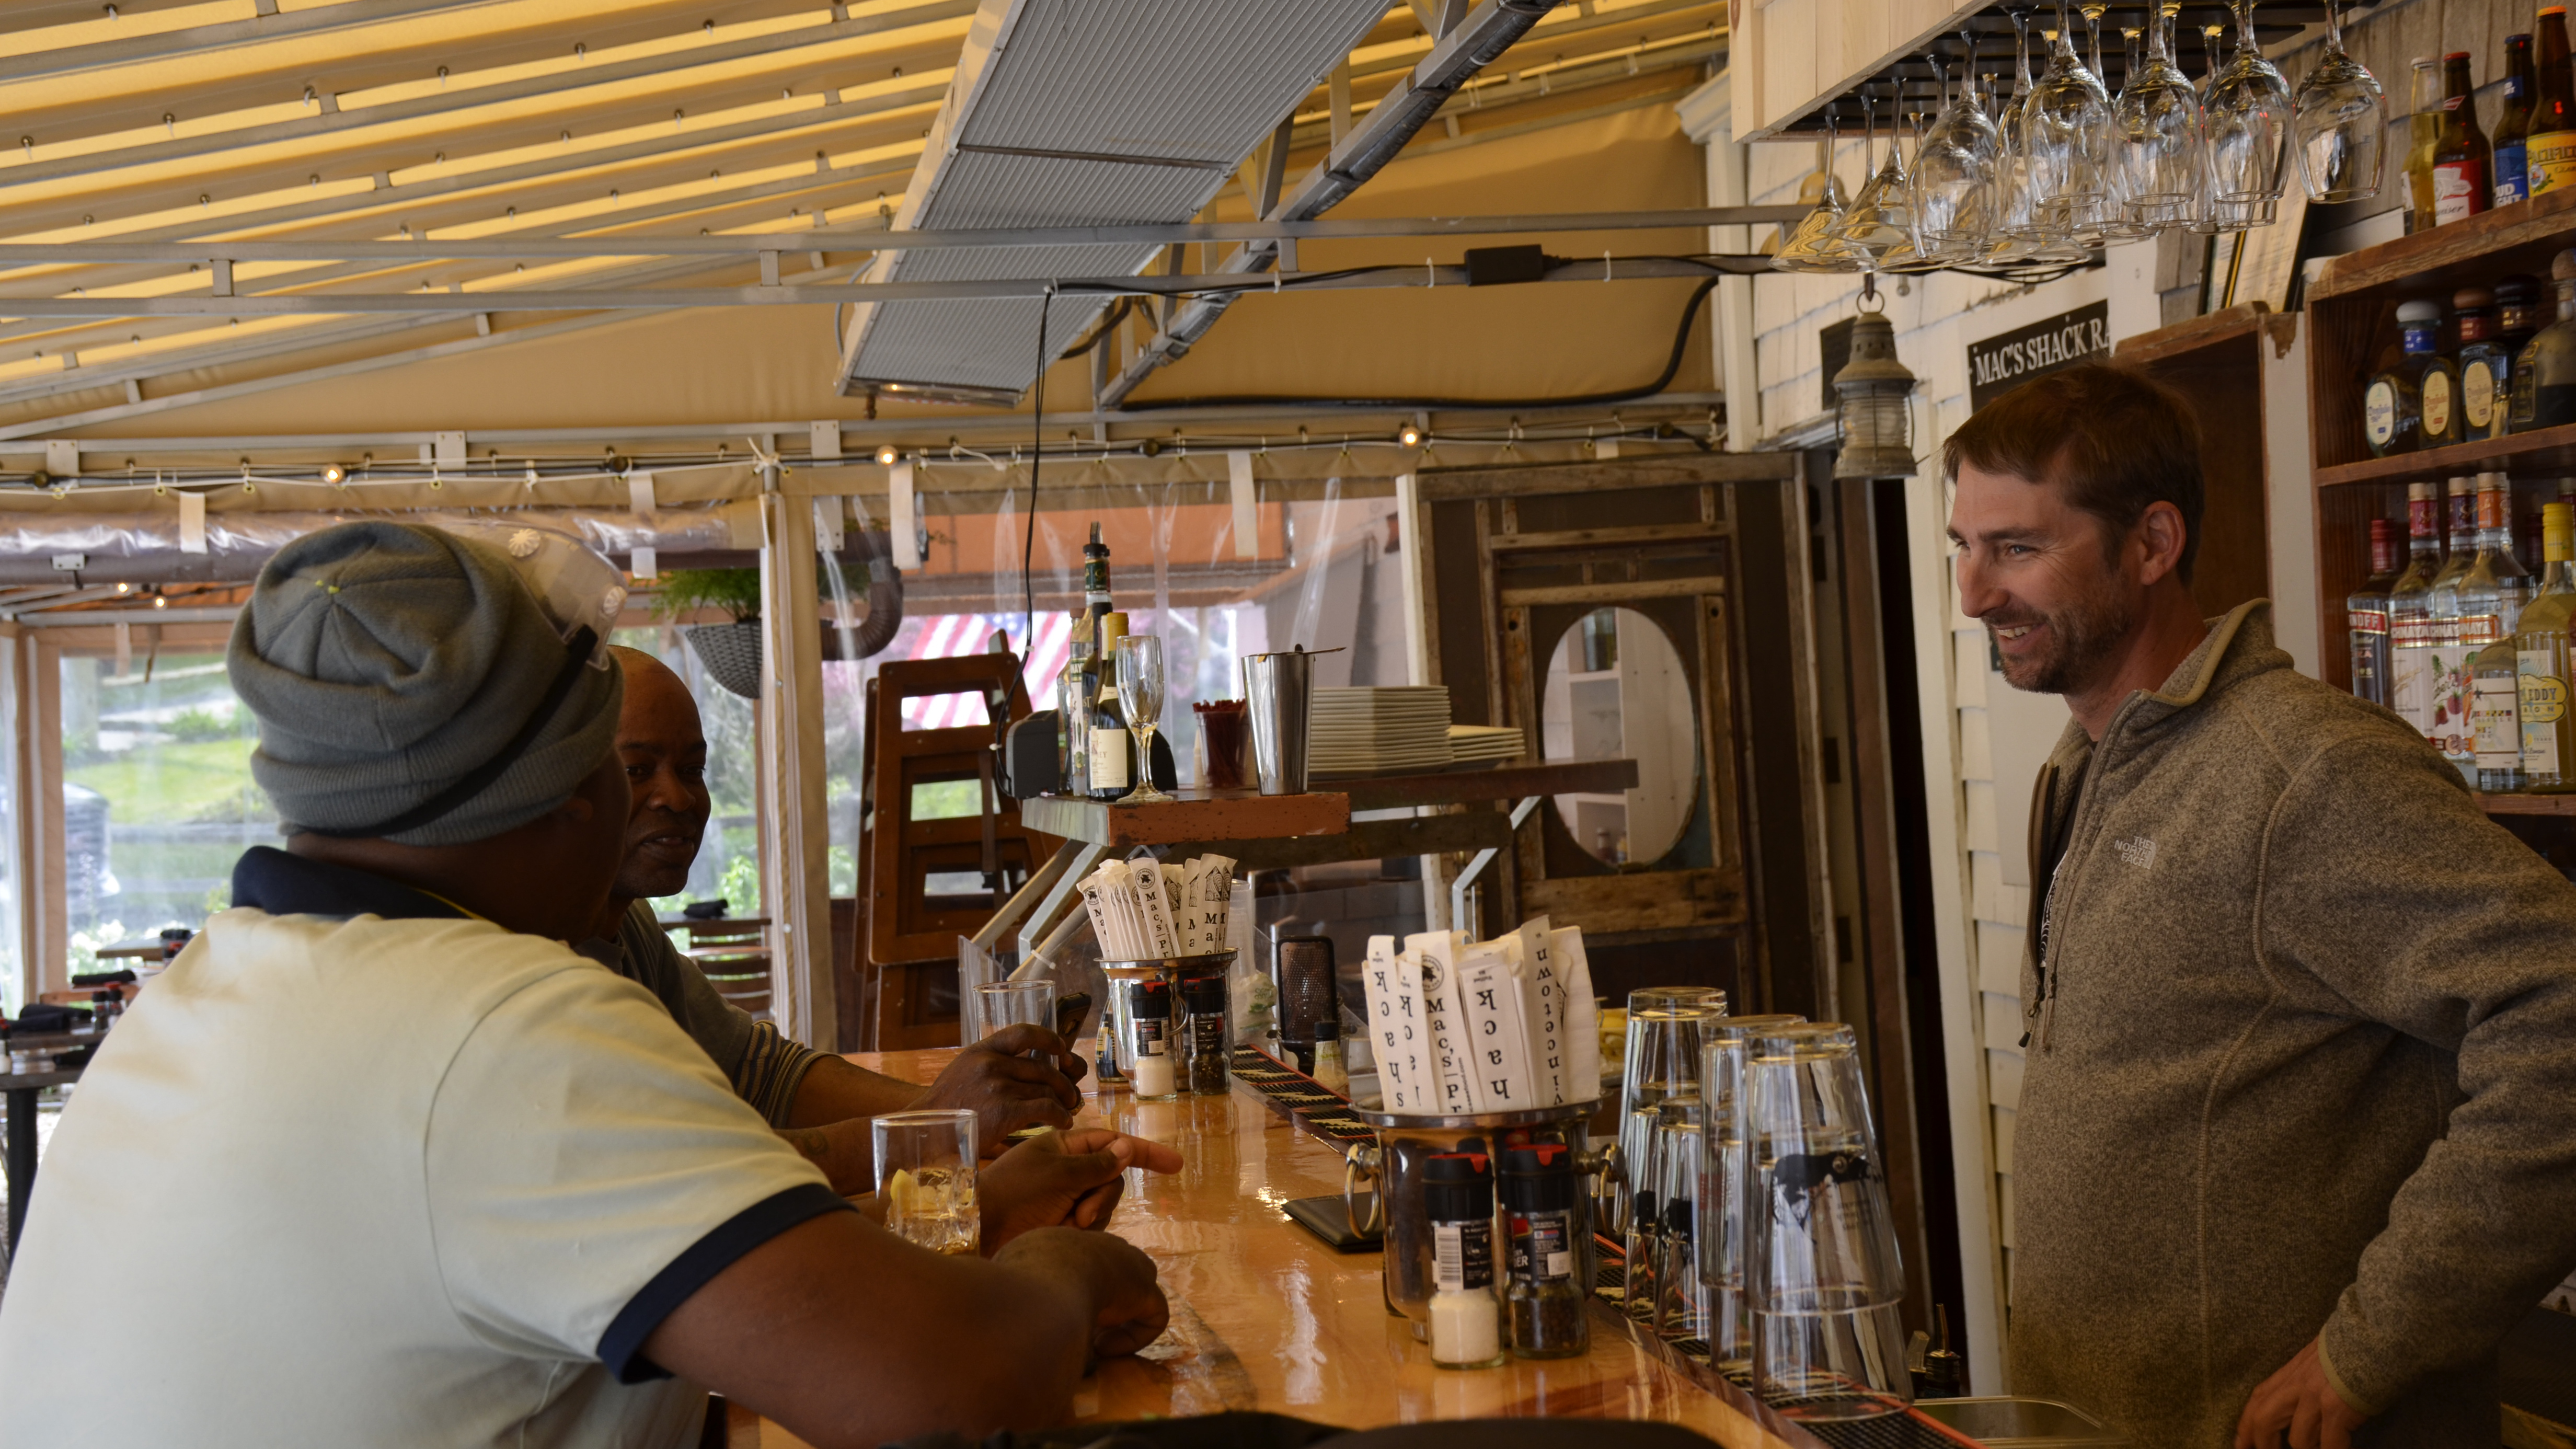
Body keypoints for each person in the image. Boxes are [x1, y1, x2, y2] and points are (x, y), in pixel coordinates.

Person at [0, 521, 1174, 1448]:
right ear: (575, 795)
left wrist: (946, 1195)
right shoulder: (499, 1021)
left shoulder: (216, 991)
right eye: (625, 763)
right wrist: (1060, 1273)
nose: (654, 800)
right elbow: (949, 1391)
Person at [1944, 365, 2576, 1448]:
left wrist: (2364, 1349)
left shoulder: (2300, 775)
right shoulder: (2083, 768)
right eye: (1959, 547)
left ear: (2151, 544)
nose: (1971, 594)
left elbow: (2563, 1012)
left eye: (2016, 549)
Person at [590, 645, 1081, 1193]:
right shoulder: (534, 969)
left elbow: (767, 1076)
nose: (678, 797)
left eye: (692, 770)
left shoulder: (630, 928)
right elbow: (686, 1171)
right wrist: (942, 1123)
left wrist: (980, 1103)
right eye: (637, 770)